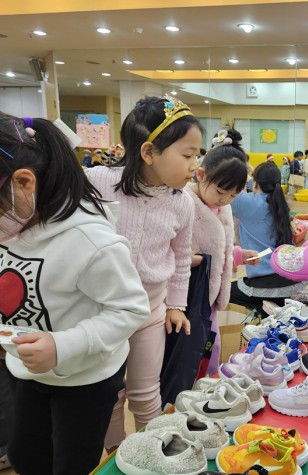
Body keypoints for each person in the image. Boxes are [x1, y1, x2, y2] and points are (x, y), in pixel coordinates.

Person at [0, 113, 149, 475]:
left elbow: (131, 309)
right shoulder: (13, 224)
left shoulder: (90, 241)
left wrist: (61, 346)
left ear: (24, 182)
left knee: (72, 474)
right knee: (26, 456)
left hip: (85, 377)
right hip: (28, 368)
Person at [85, 95, 202, 451]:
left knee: (146, 391)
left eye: (197, 155)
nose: (195, 166)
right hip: (101, 310)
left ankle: (153, 451)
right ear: (149, 152)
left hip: (150, 311)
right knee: (110, 393)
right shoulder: (98, 182)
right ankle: (116, 454)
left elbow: (181, 258)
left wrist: (176, 305)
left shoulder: (183, 203)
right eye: (187, 155)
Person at [186, 129, 261, 365]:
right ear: (201, 175)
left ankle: (204, 383)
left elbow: (221, 249)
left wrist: (240, 255)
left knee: (210, 349)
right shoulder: (185, 204)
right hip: (186, 296)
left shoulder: (222, 208)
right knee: (187, 354)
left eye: (233, 195)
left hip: (208, 297)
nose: (225, 199)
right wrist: (187, 260)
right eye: (220, 191)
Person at [229, 161, 307, 315]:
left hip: (264, 284)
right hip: (291, 280)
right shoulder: (281, 204)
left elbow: (225, 190)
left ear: (255, 183)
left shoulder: (247, 202)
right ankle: (271, 311)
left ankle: (265, 311)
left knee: (220, 291)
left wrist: (244, 174)